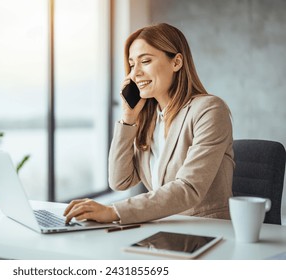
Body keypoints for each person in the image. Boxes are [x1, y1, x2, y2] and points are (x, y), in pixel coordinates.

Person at [64, 23, 234, 225]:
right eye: (132, 64)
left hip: (206, 230)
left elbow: (189, 188)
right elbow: (120, 181)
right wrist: (128, 118)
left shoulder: (209, 110)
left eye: (145, 61)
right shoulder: (149, 118)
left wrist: (114, 211)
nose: (135, 73)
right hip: (160, 227)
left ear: (177, 62)